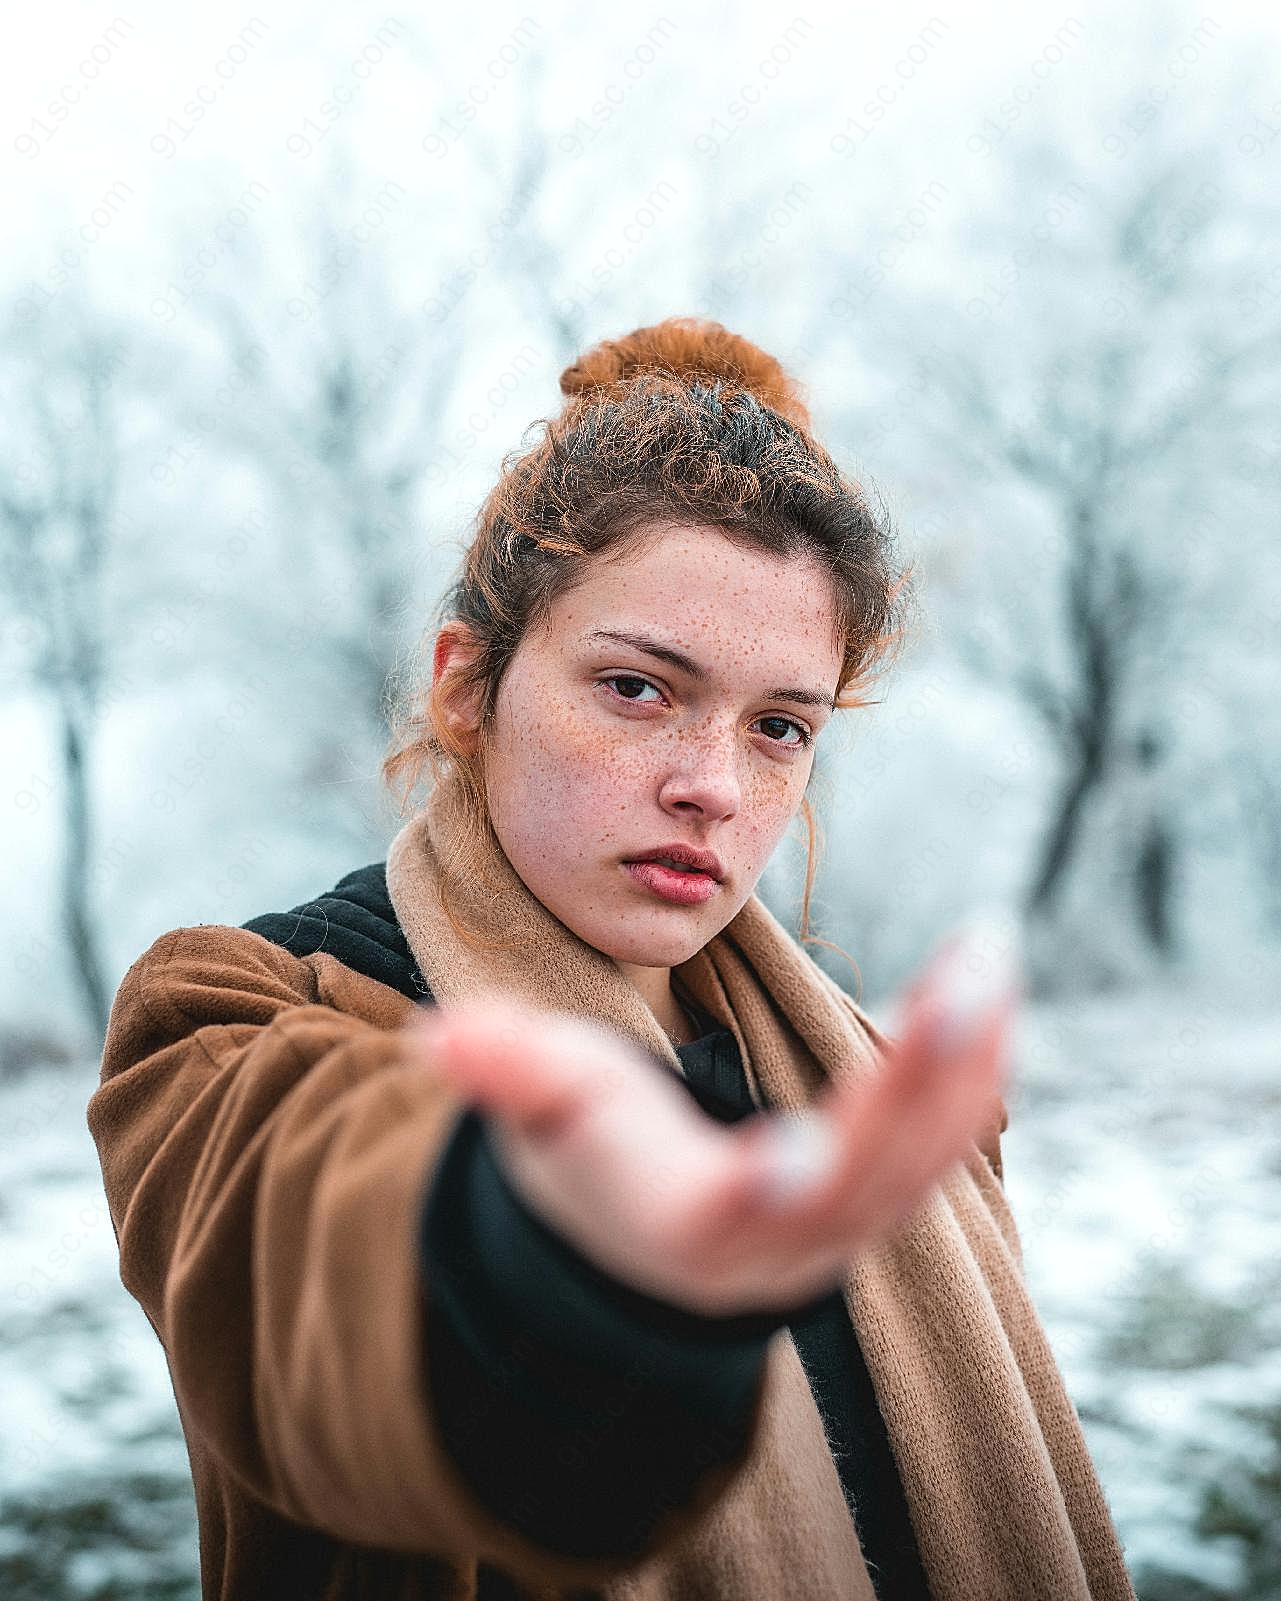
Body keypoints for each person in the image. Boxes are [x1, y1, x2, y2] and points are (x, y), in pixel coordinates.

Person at [88, 317, 1136, 1601]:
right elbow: (302, 1268)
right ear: (468, 685)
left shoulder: (871, 1080)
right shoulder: (241, 1008)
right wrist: (558, 1253)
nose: (711, 785)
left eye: (779, 726)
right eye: (639, 688)